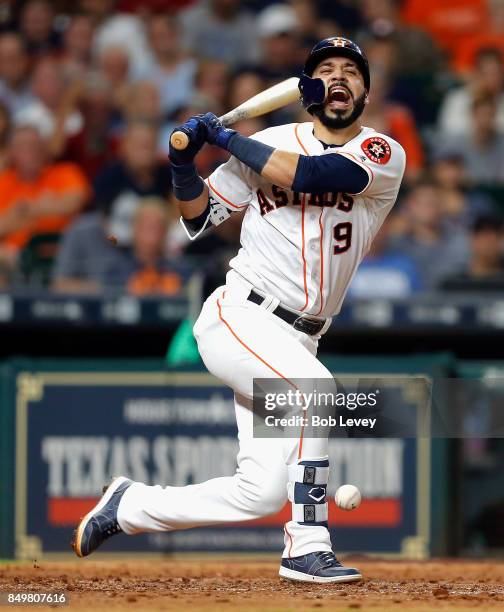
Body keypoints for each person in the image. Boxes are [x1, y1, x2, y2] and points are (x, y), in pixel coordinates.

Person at [72, 37, 406, 583]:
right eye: (327, 70)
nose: (340, 77)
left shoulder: (382, 152)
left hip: (302, 336)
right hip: (241, 316)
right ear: (309, 89)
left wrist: (224, 137)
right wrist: (182, 163)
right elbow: (197, 218)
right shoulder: (268, 141)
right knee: (315, 393)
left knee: (260, 493)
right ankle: (307, 542)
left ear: (365, 91)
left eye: (352, 70)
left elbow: (312, 176)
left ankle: (129, 507)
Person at [0, 125, 90, 269]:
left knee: (106, 238)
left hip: (63, 254)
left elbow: (74, 203)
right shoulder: (3, 182)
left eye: (35, 145)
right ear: (11, 151)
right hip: (14, 259)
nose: (30, 151)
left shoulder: (66, 173)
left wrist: (22, 211)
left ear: (45, 148)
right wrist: (48, 207)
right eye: (23, 146)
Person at [441, 215, 504, 291]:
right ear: (472, 240)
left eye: (496, 237)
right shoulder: (453, 283)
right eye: (484, 237)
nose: (489, 244)